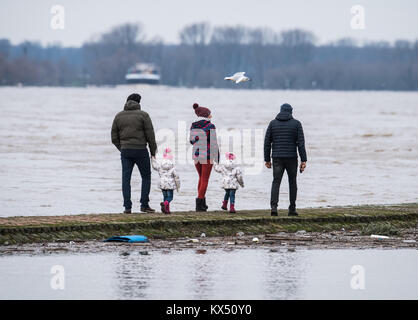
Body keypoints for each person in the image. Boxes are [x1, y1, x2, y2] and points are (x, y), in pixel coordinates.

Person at [111, 93, 157, 214]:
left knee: (126, 179)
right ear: (139, 103)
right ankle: (144, 205)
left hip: (126, 151)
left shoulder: (118, 116)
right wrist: (153, 152)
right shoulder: (144, 115)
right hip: (141, 150)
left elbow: (114, 138)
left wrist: (122, 148)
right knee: (146, 177)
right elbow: (150, 135)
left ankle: (127, 207)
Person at [264, 103, 307, 216]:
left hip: (277, 157)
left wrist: (267, 159)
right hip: (291, 157)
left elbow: (267, 143)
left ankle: (274, 208)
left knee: (276, 182)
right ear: (291, 112)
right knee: (292, 182)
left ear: (280, 111)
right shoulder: (297, 124)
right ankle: (292, 209)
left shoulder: (273, 123)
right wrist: (304, 160)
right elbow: (301, 144)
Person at [189, 103, 219, 212]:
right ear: (206, 115)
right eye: (209, 113)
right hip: (207, 155)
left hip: (196, 156)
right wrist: (217, 156)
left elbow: (191, 141)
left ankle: (202, 204)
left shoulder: (193, 125)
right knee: (205, 179)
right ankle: (200, 204)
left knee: (201, 178)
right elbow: (214, 143)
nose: (211, 115)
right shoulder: (211, 126)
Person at [151, 147, 180, 214]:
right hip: (170, 185)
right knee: (170, 197)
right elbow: (176, 177)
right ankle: (165, 205)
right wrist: (178, 187)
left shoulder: (160, 166)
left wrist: (153, 159)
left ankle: (166, 210)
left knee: (165, 197)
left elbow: (154, 166)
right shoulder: (172, 167)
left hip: (162, 184)